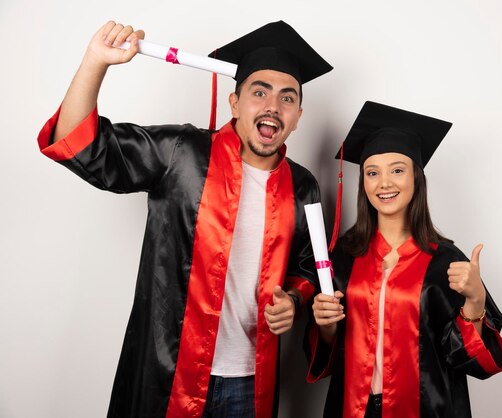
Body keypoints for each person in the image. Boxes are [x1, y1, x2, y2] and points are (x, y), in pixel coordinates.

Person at [37, 20, 332, 418]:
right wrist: (96, 61)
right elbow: (80, 144)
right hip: (168, 373)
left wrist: (294, 301)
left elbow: (307, 270)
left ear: (297, 116)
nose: (272, 108)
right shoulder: (183, 152)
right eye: (259, 92)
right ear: (234, 102)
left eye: (287, 99)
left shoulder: (302, 186)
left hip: (250, 383)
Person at [305, 101, 502, 418]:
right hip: (353, 409)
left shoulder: (446, 260)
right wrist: (326, 325)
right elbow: (328, 352)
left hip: (426, 410)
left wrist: (475, 302)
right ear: (364, 184)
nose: (384, 183)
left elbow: (472, 363)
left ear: (416, 179)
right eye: (373, 173)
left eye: (397, 170)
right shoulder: (345, 257)